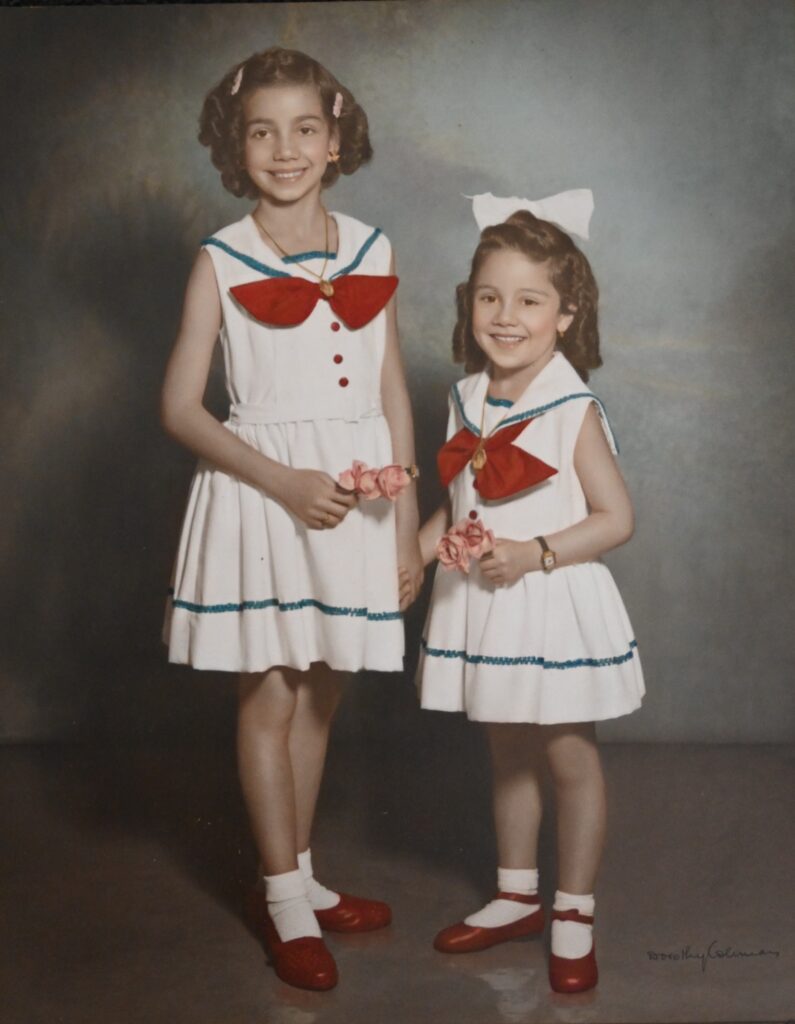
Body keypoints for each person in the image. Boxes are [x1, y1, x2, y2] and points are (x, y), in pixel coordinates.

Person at [161, 47, 422, 992]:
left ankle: (302, 881)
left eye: (304, 129)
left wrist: (406, 521)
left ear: (335, 138)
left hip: (357, 500)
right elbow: (180, 409)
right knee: (269, 694)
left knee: (321, 690)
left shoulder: (373, 248)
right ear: (235, 146)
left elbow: (391, 389)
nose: (285, 149)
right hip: (264, 498)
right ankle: (280, 901)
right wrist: (282, 482)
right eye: (261, 132)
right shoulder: (220, 260)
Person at [416, 195, 645, 994]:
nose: (505, 317)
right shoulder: (464, 397)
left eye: (528, 300)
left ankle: (573, 910)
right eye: (489, 297)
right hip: (485, 605)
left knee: (566, 757)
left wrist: (534, 553)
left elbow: (615, 519)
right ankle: (516, 895)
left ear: (565, 314)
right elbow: (457, 506)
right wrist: (412, 558)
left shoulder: (570, 407)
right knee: (506, 751)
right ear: (468, 304)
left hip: (548, 600)